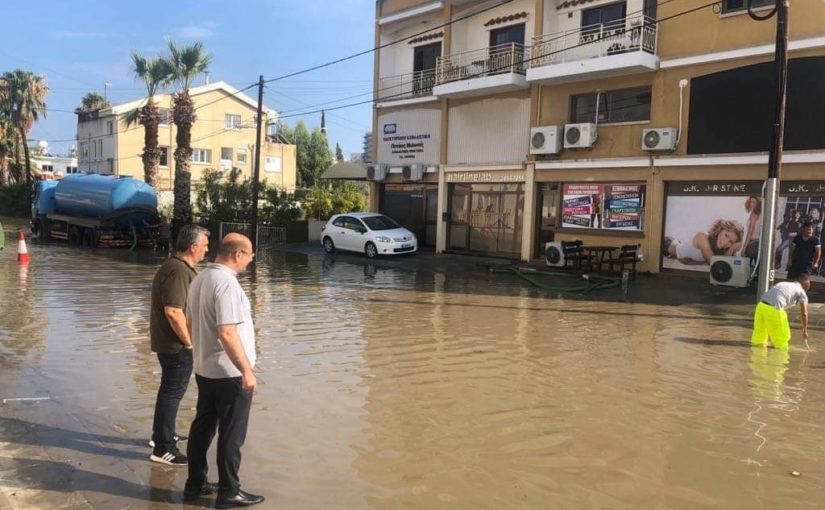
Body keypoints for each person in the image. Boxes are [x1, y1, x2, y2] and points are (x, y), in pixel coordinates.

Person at [184, 233, 264, 507]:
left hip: (205, 369)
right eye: (250, 255)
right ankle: (230, 490)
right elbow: (227, 333)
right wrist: (247, 371)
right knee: (232, 434)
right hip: (229, 373)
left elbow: (190, 324)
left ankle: (195, 484)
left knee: (202, 428)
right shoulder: (226, 284)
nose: (251, 261)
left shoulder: (200, 279)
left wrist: (201, 353)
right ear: (238, 254)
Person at [149, 224, 210, 466]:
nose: (207, 250)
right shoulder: (178, 271)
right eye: (205, 246)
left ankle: (163, 434)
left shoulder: (177, 267)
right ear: (193, 246)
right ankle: (163, 446)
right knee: (172, 393)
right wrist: (190, 343)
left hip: (171, 343)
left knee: (170, 391)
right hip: (175, 345)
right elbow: (173, 311)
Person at [752, 273, 810, 349]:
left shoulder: (783, 283)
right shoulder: (801, 292)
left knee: (759, 336)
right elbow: (804, 313)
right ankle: (781, 359)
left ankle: (757, 356)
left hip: (761, 306)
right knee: (781, 338)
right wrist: (805, 330)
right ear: (806, 285)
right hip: (774, 308)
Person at [663, 218, 744, 265]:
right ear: (720, 229)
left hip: (680, 250)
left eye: (731, 242)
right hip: (669, 246)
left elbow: (729, 265)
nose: (725, 242)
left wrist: (734, 250)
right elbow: (714, 264)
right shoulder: (703, 237)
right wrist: (732, 248)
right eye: (726, 235)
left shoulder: (721, 250)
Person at [739, 195, 762, 261]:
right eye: (751, 202)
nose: (752, 204)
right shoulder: (760, 214)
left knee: (747, 268)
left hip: (752, 244)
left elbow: (750, 232)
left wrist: (744, 248)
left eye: (754, 202)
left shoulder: (753, 214)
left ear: (758, 204)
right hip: (758, 243)